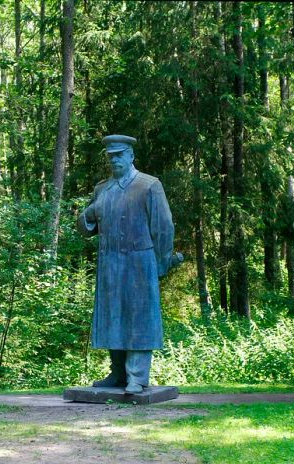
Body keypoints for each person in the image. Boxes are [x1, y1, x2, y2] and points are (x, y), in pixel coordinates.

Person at [77, 134, 181, 393]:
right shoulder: (102, 189)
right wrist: (89, 213)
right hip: (109, 262)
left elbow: (164, 228)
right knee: (113, 317)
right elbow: (85, 228)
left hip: (139, 261)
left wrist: (161, 262)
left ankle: (137, 376)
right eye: (111, 156)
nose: (115, 160)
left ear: (131, 155)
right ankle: (118, 373)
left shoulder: (148, 186)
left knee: (138, 317)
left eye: (119, 155)